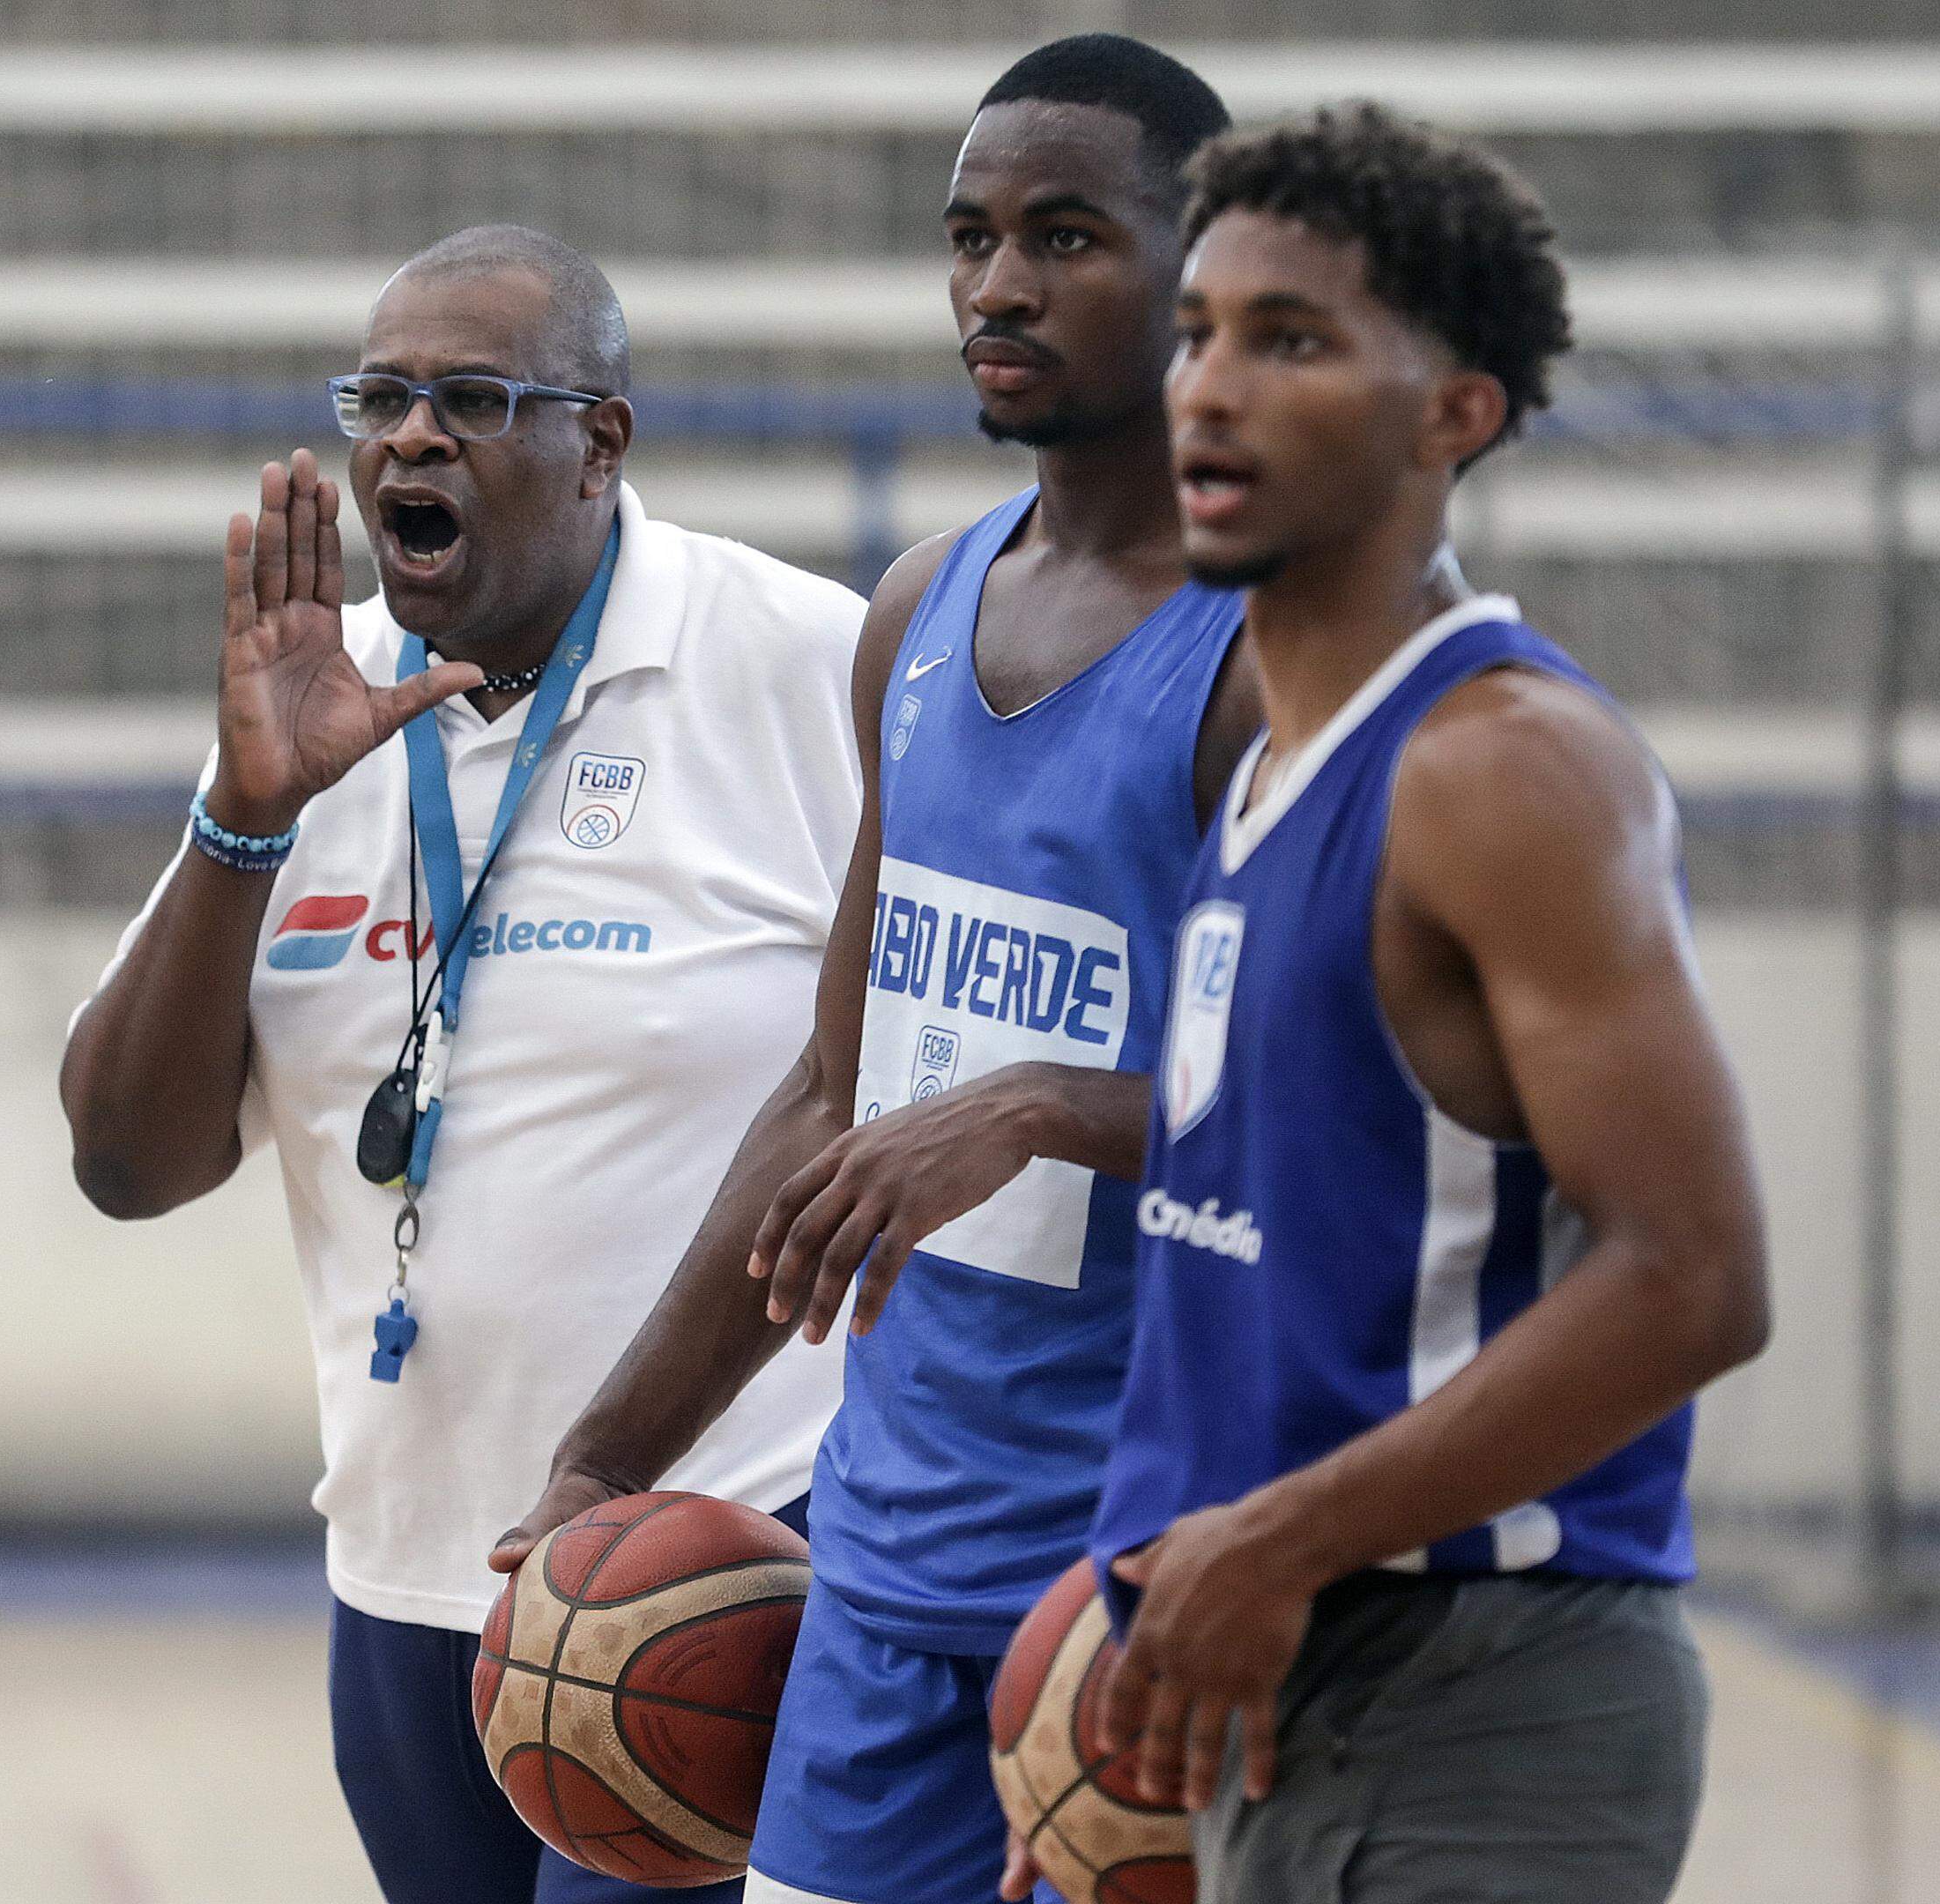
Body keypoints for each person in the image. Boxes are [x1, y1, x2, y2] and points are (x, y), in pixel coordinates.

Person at [488, 38, 1254, 1904]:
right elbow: (835, 1096)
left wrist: (1034, 1109)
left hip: (1142, 1595)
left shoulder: (1269, 662)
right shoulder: (915, 613)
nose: (998, 284)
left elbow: (1362, 1127)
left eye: (1064, 235)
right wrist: (607, 1456)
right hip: (878, 1586)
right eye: (971, 238)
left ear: (1205, 269)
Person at [58, 227, 865, 1904]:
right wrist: (244, 815)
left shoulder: (803, 665)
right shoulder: (306, 696)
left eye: (477, 399)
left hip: (710, 1565)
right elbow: (127, 1162)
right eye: (384, 399)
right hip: (404, 1583)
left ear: (603, 444)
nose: (411, 440)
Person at [1084, 106, 1772, 1904]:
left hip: (1488, 1684)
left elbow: (1695, 1275)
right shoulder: (1264, 760)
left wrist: (1276, 1540)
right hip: (1296, 1675)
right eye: (1199, 331)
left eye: (1290, 340)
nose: (1209, 388)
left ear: (1456, 412)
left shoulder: (1504, 767)